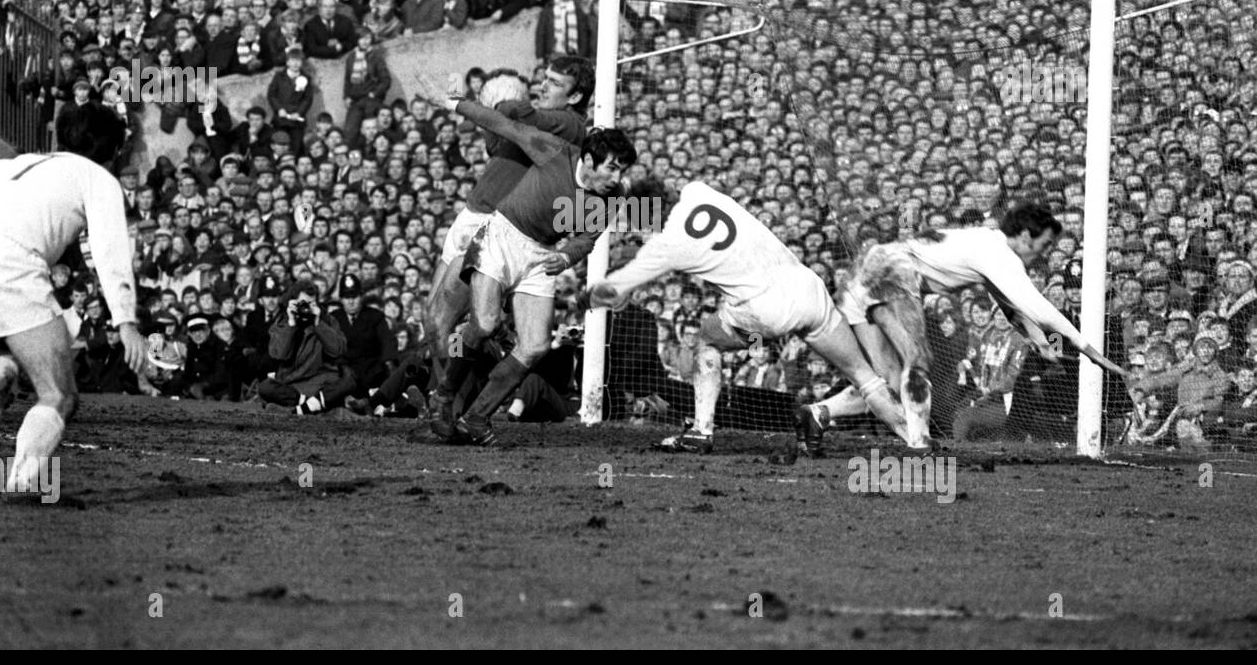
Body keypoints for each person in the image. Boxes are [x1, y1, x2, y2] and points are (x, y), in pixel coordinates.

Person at [588, 179, 906, 454]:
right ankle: (917, 441)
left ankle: (701, 430)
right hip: (807, 289)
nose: (645, 227)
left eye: (645, 219)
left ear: (653, 211)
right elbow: (671, 194)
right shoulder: (699, 191)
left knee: (704, 341)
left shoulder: (666, 244)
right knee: (866, 377)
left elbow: (614, 288)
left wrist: (588, 294)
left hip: (763, 311)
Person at [810, 202, 1127, 448]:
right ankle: (921, 446)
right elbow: (1036, 306)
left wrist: (1041, 342)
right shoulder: (1000, 253)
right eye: (1044, 245)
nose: (1044, 254)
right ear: (1026, 236)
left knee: (887, 380)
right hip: (894, 270)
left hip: (864, 272)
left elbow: (1013, 309)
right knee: (918, 361)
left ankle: (817, 414)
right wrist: (1089, 350)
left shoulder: (986, 246)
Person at [0, 103, 146, 495]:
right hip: (5, 263)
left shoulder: (12, 164)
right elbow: (111, 252)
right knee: (59, 395)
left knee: (1, 342)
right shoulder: (98, 178)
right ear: (113, 150)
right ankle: (24, 484)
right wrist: (126, 321)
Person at [430, 101, 636, 446]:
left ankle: (477, 418)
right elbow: (502, 124)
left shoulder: (616, 195)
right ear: (588, 161)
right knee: (484, 325)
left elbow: (587, 239)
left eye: (622, 170)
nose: (617, 178)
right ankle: (443, 398)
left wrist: (566, 258)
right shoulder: (554, 151)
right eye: (612, 168)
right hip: (501, 236)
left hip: (542, 254)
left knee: (536, 345)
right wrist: (456, 103)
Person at [422, 59, 592, 399]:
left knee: (447, 321)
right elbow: (498, 148)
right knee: (433, 321)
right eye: (544, 78)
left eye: (554, 83)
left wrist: (491, 104)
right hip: (473, 211)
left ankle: (449, 402)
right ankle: (448, 397)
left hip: (494, 224)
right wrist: (487, 115)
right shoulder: (545, 122)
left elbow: (521, 115)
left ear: (575, 98)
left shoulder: (569, 125)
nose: (542, 86)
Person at [257, 279, 355, 415]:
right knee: (265, 387)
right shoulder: (283, 322)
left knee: (349, 378)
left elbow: (337, 351)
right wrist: (291, 324)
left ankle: (298, 408)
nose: (306, 308)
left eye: (310, 304)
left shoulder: (326, 320)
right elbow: (279, 354)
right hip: (293, 384)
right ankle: (313, 405)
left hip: (322, 381)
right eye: (302, 303)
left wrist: (318, 323)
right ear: (292, 302)